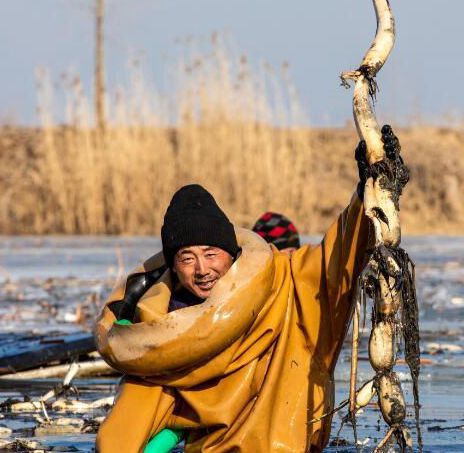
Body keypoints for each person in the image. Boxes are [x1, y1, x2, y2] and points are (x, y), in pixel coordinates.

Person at [94, 128, 402, 452]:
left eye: (211, 254)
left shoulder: (285, 284)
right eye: (187, 258)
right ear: (173, 266)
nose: (202, 269)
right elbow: (122, 434)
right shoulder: (159, 336)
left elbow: (339, 257)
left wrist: (368, 190)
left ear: (232, 253)